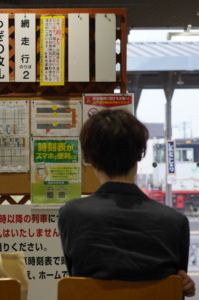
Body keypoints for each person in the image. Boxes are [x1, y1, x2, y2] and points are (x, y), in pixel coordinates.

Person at [58, 109, 195, 297]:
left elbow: (77, 276)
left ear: (90, 158)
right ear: (140, 154)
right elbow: (177, 288)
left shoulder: (71, 214)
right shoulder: (175, 221)